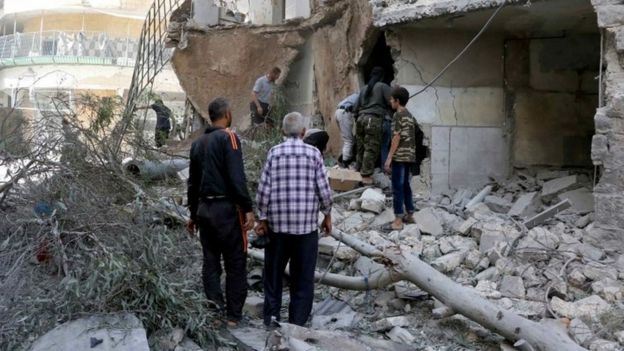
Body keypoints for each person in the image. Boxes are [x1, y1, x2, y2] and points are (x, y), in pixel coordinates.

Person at [255, 112, 333, 327]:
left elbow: (263, 190)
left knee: (273, 277)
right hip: (306, 230)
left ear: (282, 131)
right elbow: (324, 190)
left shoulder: (274, 153)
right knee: (303, 279)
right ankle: (296, 324)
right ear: (304, 132)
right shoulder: (314, 154)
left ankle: (271, 320)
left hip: (278, 229)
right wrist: (327, 214)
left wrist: (262, 219)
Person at [186, 97, 255, 327]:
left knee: (211, 263)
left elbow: (192, 183)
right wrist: (247, 208)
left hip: (204, 211)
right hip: (226, 211)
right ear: (226, 114)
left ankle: (215, 313)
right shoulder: (230, 138)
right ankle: (233, 316)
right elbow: (237, 177)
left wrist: (193, 214)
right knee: (235, 263)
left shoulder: (198, 144)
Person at [383, 86, 419, 231]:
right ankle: (410, 214)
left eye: (392, 99)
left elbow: (396, 137)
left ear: (397, 101)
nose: (390, 102)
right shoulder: (410, 115)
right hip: (409, 156)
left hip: (400, 156)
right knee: (405, 186)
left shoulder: (397, 115)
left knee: (397, 187)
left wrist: (389, 158)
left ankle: (398, 219)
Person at [354, 67, 392, 184]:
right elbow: (392, 102)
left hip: (360, 119)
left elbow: (355, 107)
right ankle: (365, 176)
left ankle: (357, 170)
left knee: (361, 147)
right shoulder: (382, 86)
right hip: (373, 119)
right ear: (382, 76)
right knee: (371, 148)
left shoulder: (364, 88)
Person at [334, 92, 359, 167]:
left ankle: (341, 160)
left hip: (339, 111)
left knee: (347, 139)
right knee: (349, 140)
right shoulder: (363, 95)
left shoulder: (356, 94)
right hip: (345, 112)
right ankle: (345, 163)